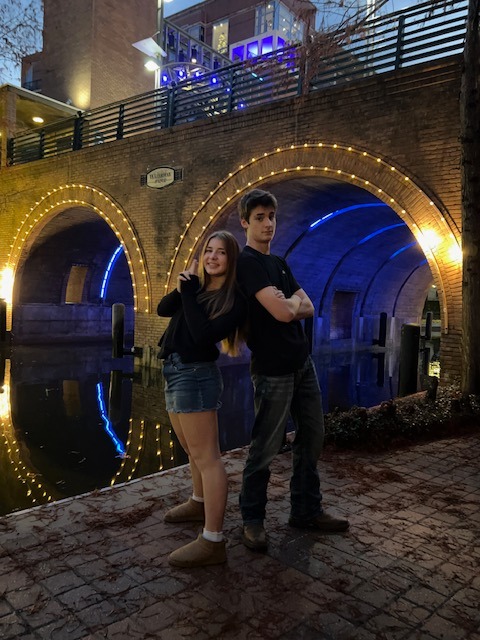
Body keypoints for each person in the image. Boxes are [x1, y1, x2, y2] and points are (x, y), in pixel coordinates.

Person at [236, 189, 349, 552]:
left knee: (312, 436)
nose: (268, 224)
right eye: (259, 218)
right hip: (273, 370)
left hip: (303, 363)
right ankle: (252, 519)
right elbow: (285, 312)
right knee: (265, 446)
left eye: (272, 217)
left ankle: (305, 510)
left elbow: (309, 306)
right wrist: (290, 305)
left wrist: (290, 304)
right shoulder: (248, 264)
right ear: (245, 222)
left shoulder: (279, 263)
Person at [157, 230, 247, 567]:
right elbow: (163, 309)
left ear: (231, 259)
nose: (212, 257)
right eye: (208, 250)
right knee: (192, 450)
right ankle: (198, 503)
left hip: (195, 375)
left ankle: (213, 540)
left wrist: (190, 295)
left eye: (220, 252)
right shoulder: (196, 288)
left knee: (208, 458)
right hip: (174, 369)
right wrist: (185, 285)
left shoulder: (234, 300)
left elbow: (201, 335)